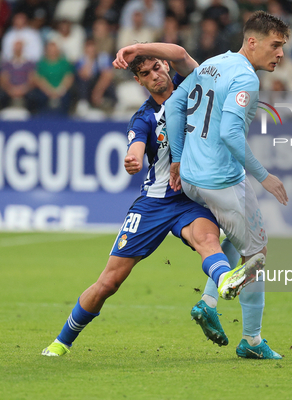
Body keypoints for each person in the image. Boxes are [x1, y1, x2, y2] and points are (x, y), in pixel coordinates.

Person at [42, 43, 257, 357]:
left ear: (166, 66)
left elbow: (181, 53)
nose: (156, 75)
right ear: (139, 82)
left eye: (158, 67)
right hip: (154, 203)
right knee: (110, 281)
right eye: (146, 73)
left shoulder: (194, 86)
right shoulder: (143, 118)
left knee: (207, 239)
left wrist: (138, 48)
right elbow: (136, 149)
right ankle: (61, 341)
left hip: (191, 200)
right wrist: (132, 159)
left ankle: (225, 282)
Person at [164, 10, 290, 359]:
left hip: (190, 177)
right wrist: (265, 177)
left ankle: (207, 300)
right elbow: (230, 133)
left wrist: (177, 158)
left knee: (236, 238)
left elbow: (175, 106)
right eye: (275, 45)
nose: (280, 53)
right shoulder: (247, 79)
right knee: (256, 255)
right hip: (221, 180)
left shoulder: (211, 64)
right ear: (253, 42)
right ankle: (251, 341)